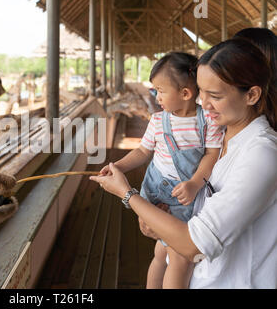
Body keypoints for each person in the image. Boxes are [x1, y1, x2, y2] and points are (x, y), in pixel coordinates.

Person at [91, 38, 276, 288]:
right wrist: (158, 221)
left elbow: (193, 245)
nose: (204, 103)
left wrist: (127, 194)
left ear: (251, 95)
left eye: (215, 95)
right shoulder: (220, 135)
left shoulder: (262, 153)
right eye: (201, 92)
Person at [99, 52, 223, 288]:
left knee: (168, 254)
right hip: (155, 192)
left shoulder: (207, 120)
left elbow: (212, 155)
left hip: (183, 195)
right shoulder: (157, 121)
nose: (156, 97)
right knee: (178, 257)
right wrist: (118, 167)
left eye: (160, 91)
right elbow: (142, 152)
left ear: (185, 94)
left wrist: (195, 182)